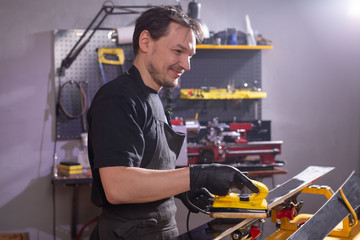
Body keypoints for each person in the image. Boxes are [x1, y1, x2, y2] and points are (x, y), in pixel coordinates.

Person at [87, 5, 259, 240]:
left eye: (189, 55)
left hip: (157, 230)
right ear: (146, 42)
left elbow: (149, 168)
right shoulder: (118, 98)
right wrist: (197, 176)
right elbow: (118, 186)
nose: (186, 65)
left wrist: (183, 190)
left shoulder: (153, 98)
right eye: (178, 51)